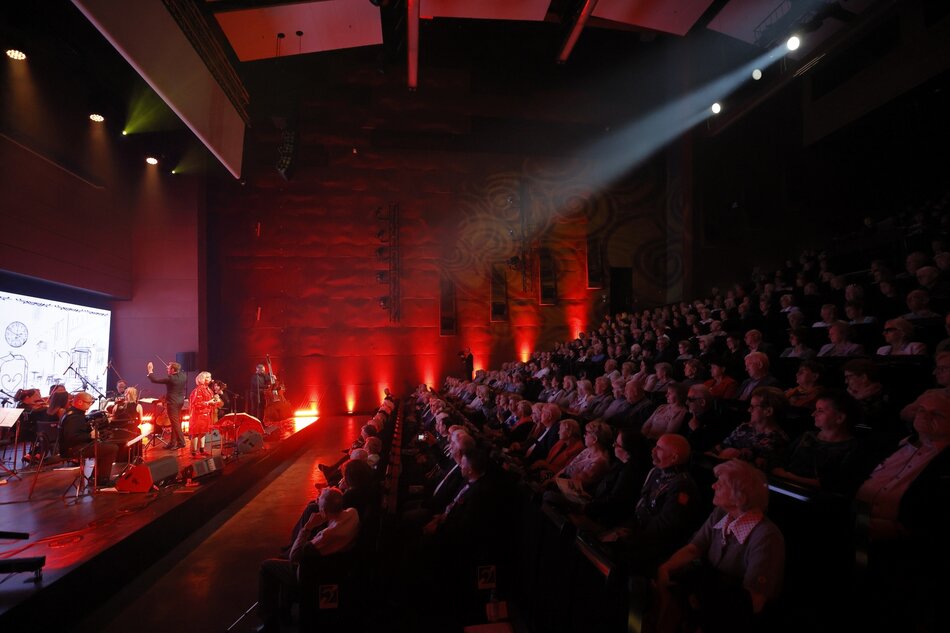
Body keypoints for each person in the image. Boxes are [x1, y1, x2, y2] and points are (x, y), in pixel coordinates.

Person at [656, 459, 785, 632]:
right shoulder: (721, 513)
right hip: (710, 597)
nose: (713, 486)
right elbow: (695, 548)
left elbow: (754, 602)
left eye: (720, 484)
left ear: (740, 496)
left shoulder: (767, 536)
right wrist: (666, 568)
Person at [257, 487, 359, 633]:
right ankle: (284, 609)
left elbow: (296, 556)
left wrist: (307, 527)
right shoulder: (353, 513)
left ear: (323, 512)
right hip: (338, 565)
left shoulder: (325, 536)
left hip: (311, 574)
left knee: (267, 566)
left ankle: (269, 621)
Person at [59, 391, 120, 487]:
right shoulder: (74, 417)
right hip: (72, 449)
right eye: (88, 403)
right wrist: (89, 436)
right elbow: (71, 438)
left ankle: (96, 478)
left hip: (76, 446)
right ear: (79, 402)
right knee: (111, 448)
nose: (90, 405)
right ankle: (101, 480)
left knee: (105, 446)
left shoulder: (76, 413)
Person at [147, 360, 187, 450]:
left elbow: (154, 380)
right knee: (174, 423)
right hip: (180, 401)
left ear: (173, 369)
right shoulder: (183, 376)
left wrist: (150, 370)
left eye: (168, 368)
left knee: (175, 423)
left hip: (172, 402)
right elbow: (178, 372)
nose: (167, 368)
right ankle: (172, 443)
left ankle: (181, 442)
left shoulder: (171, 378)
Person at [188, 371, 217, 457]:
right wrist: (208, 402)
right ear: (203, 379)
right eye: (208, 377)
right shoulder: (198, 390)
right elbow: (196, 404)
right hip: (198, 415)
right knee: (196, 433)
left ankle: (201, 450)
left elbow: (211, 402)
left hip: (206, 414)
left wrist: (215, 401)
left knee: (203, 432)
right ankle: (193, 452)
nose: (210, 379)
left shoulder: (208, 390)